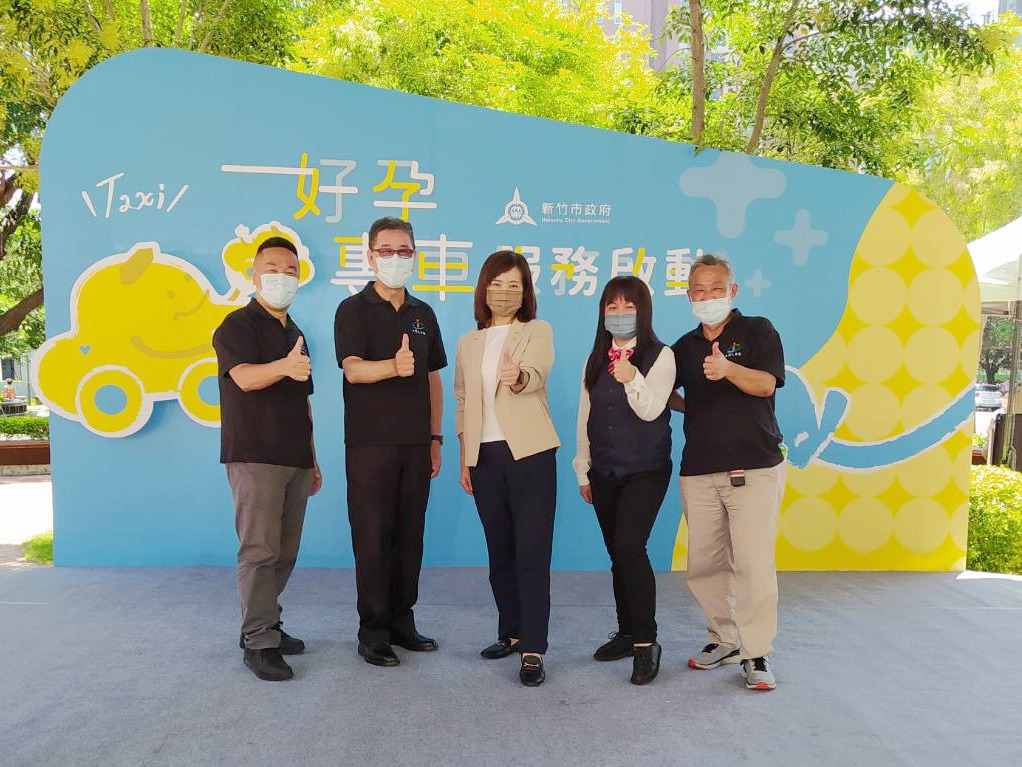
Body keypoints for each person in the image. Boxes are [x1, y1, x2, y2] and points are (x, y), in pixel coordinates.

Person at [670, 253, 786, 691]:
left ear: (732, 290)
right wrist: (685, 405)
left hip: (753, 467)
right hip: (699, 469)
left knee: (753, 563)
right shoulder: (684, 346)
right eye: (699, 291)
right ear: (689, 296)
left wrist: (728, 369)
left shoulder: (758, 330)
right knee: (704, 563)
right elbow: (666, 392)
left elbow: (766, 384)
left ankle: (756, 652)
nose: (708, 298)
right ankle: (724, 639)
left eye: (716, 289)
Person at [334, 216, 446, 668]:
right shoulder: (352, 309)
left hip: (415, 444)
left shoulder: (423, 314)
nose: (395, 258)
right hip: (369, 445)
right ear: (370, 256)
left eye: (404, 251)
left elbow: (433, 380)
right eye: (386, 250)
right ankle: (373, 631)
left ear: (414, 256)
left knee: (410, 537)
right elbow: (353, 369)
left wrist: (435, 437)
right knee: (373, 538)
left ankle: (403, 621)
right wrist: (392, 367)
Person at [212, 236, 322, 682]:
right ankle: (258, 641)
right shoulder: (237, 325)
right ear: (254, 275)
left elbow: (303, 403)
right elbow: (243, 378)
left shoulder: (296, 333)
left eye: (290, 270)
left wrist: (313, 459)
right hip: (254, 454)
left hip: (295, 457)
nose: (282, 277)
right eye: (272, 269)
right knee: (259, 550)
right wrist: (283, 367)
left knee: (285, 551)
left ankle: (265, 621)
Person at [454, 250, 559, 687]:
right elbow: (463, 400)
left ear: (525, 291)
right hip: (484, 457)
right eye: (496, 284)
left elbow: (536, 374)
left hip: (530, 453)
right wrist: (467, 457)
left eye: (514, 285)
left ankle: (533, 647)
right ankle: (512, 632)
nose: (504, 292)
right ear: (484, 289)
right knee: (500, 553)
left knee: (531, 553)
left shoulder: (537, 330)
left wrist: (517, 377)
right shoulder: (468, 342)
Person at [573, 276, 675, 685]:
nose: (619, 313)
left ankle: (647, 642)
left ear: (643, 311)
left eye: (628, 306)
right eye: (611, 306)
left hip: (646, 469)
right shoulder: (594, 359)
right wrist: (583, 468)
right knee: (618, 553)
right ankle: (627, 631)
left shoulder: (661, 356)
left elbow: (652, 410)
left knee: (631, 547)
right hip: (604, 470)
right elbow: (585, 416)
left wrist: (632, 377)